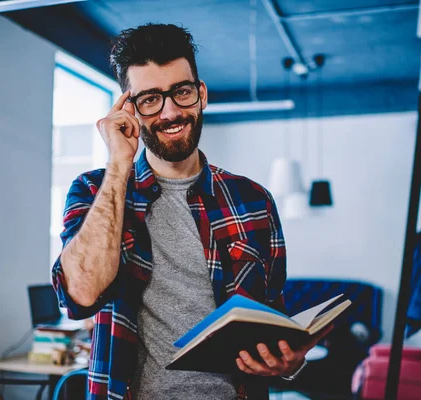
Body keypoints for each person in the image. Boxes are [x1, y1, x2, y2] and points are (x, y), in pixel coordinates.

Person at [51, 23, 324, 400]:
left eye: (181, 92)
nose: (170, 112)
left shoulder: (253, 200)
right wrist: (118, 164)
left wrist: (290, 364)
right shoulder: (96, 190)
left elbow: (273, 322)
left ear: (201, 95)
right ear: (129, 109)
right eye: (150, 99)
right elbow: (80, 294)